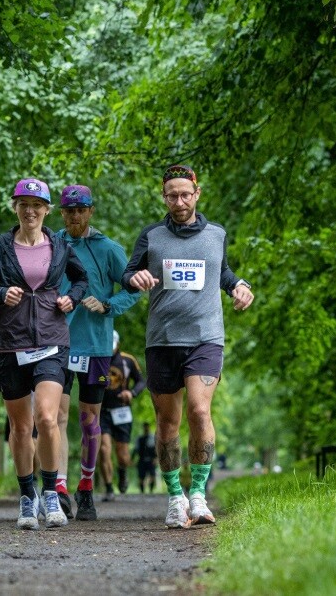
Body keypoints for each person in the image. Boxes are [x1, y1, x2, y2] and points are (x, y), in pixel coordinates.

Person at [121, 164, 254, 528]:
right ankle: (175, 497)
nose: (178, 201)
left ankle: (198, 493)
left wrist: (239, 285)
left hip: (205, 337)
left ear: (197, 194)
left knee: (199, 410)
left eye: (185, 194)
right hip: (162, 339)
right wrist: (136, 276)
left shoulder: (217, 234)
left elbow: (222, 272)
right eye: (171, 195)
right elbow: (127, 274)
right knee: (168, 421)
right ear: (164, 197)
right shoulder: (151, 236)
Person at [0, 178, 88, 530]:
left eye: (37, 204)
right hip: (10, 343)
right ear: (15, 207)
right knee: (21, 427)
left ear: (47, 209)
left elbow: (80, 280)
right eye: (24, 204)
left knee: (47, 419)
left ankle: (51, 494)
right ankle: (26, 497)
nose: (30, 210)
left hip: (52, 339)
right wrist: (0, 293)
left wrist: (72, 298)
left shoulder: (60, 246)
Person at [55, 184, 140, 521]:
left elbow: (133, 289)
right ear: (61, 213)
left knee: (89, 419)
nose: (75, 216)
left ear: (90, 212)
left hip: (95, 345)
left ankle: (86, 487)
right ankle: (57, 487)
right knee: (56, 417)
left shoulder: (108, 249)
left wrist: (107, 305)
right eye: (69, 210)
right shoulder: (51, 245)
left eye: (82, 210)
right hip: (56, 343)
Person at [98, 330, 145, 501]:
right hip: (102, 411)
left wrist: (132, 393)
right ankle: (109, 487)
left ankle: (123, 472)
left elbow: (141, 381)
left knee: (123, 456)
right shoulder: (97, 357)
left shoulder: (128, 360)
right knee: (103, 449)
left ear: (118, 344)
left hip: (122, 410)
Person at [134, 421, 158, 494]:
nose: (146, 428)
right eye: (145, 427)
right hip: (141, 460)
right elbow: (136, 449)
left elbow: (157, 449)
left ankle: (151, 490)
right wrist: (132, 459)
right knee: (141, 476)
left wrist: (156, 458)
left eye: (147, 427)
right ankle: (142, 491)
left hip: (151, 460)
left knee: (152, 475)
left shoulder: (153, 438)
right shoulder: (139, 439)